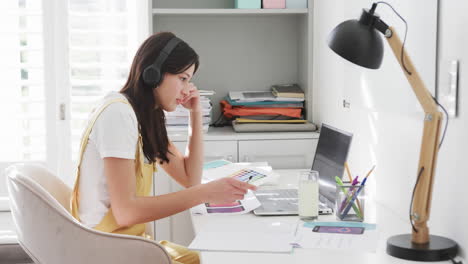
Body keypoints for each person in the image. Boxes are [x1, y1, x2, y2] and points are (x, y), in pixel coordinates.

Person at [70, 32, 256, 264]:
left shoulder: (144, 116)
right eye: (182, 78)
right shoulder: (117, 114)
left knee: (219, 257)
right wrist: (206, 194)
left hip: (131, 243)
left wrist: (195, 114)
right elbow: (126, 212)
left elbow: (190, 179)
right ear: (153, 74)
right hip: (109, 250)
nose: (187, 89)